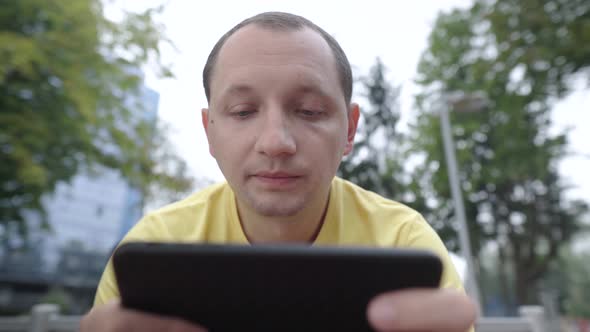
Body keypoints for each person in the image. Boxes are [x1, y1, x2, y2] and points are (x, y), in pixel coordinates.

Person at [81, 11, 477, 332]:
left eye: (308, 111)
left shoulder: (403, 242)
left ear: (350, 130)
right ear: (209, 132)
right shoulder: (153, 248)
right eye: (243, 112)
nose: (275, 141)